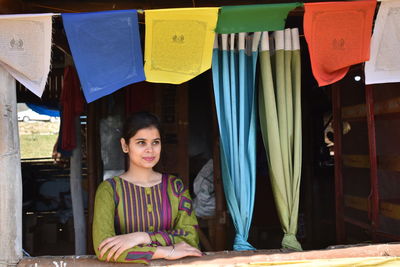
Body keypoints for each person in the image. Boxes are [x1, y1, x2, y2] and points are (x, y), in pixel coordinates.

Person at [93, 112, 201, 264]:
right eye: (141, 142)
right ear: (125, 145)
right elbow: (103, 249)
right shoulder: (109, 190)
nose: (150, 150)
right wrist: (164, 251)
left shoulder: (175, 187)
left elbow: (190, 239)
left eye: (155, 142)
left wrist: (142, 237)